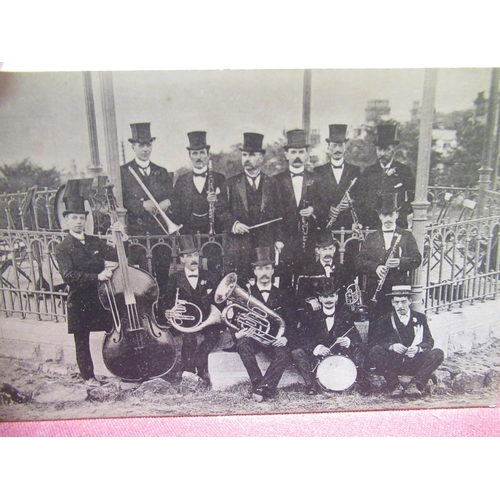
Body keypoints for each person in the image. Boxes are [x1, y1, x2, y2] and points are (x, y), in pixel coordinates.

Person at [54, 189, 122, 387]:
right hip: (80, 299)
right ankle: (88, 377)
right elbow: (69, 276)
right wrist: (98, 276)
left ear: (86, 220)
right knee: (82, 340)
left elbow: (118, 255)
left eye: (81, 218)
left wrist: (121, 235)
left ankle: (116, 368)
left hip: (101, 298)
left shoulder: (94, 241)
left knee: (113, 332)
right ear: (66, 220)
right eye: (74, 218)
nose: (78, 222)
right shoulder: (63, 247)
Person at [120, 122, 174, 302]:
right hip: (139, 234)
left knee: (163, 273)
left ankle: (162, 312)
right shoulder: (123, 172)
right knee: (142, 276)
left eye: (148, 145)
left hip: (160, 233)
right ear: (133, 147)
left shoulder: (162, 171)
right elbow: (122, 200)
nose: (145, 149)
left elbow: (172, 195)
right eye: (141, 145)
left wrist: (168, 201)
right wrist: (141, 206)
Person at [233, 247, 293, 402]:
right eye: (260, 269)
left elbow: (291, 320)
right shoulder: (247, 294)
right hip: (254, 338)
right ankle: (258, 383)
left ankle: (264, 387)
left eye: (267, 268)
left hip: (274, 339)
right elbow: (235, 317)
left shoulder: (283, 294)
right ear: (254, 272)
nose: (264, 272)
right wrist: (237, 333)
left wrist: (285, 337)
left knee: (284, 353)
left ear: (273, 271)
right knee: (242, 343)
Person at [290, 277, 369, 395]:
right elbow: (301, 338)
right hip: (318, 357)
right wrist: (317, 348)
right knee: (296, 352)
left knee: (361, 348)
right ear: (320, 298)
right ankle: (311, 385)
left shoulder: (345, 314)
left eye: (332, 296)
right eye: (325, 296)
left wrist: (347, 341)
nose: (329, 299)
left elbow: (355, 336)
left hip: (340, 355)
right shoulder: (310, 315)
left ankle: (360, 382)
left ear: (336, 297)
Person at [221, 132, 284, 282]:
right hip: (239, 245)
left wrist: (279, 239)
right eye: (244, 155)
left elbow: (280, 214)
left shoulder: (272, 183)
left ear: (261, 158)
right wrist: (234, 224)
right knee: (241, 282)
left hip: (264, 243)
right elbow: (221, 209)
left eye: (251, 155)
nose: (247, 159)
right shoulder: (230, 184)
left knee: (263, 283)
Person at [163, 235, 223, 387]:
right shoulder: (175, 277)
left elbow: (217, 299)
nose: (193, 259)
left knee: (212, 336)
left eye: (195, 255)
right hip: (188, 318)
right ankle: (189, 372)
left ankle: (200, 363)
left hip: (208, 317)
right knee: (189, 340)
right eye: (189, 256)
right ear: (182, 259)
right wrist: (168, 311)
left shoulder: (209, 275)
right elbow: (167, 300)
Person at [368, 285, 444, 398]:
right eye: (397, 302)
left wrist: (418, 348)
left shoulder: (420, 318)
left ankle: (415, 385)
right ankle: (394, 386)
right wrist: (391, 346)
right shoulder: (385, 320)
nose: (400, 306)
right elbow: (376, 341)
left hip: (414, 361)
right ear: (392, 303)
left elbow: (429, 340)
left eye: (403, 302)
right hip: (394, 362)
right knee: (376, 351)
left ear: (410, 301)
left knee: (438, 353)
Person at [356, 194, 422, 321]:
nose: (388, 219)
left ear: (396, 215)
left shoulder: (406, 236)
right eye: (384, 215)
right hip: (375, 288)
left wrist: (400, 262)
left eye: (391, 215)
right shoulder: (371, 237)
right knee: (376, 323)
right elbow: (359, 261)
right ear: (380, 216)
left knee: (398, 321)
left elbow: (417, 258)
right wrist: (376, 267)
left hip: (398, 288)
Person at [274, 129, 317, 291]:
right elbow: (273, 212)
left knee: (308, 283)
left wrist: (314, 210)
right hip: (286, 241)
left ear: (307, 154)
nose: (297, 156)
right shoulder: (276, 180)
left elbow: (324, 204)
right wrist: (277, 239)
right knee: (285, 283)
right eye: (293, 152)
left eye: (301, 152)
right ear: (286, 155)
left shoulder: (316, 179)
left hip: (309, 241)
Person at [170, 131, 229, 236]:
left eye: (202, 153)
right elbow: (176, 209)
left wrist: (217, 200)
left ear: (208, 155)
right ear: (190, 156)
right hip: (189, 233)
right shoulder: (181, 180)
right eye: (195, 153)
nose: (198, 157)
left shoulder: (219, 178)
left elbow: (228, 205)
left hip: (214, 233)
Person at [358, 124, 416, 230]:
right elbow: (360, 197)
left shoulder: (404, 170)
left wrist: (401, 211)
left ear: (394, 149)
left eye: (386, 150)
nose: (382, 153)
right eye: (379, 150)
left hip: (397, 223)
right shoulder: (369, 171)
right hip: (372, 223)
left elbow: (414, 196)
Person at [313, 124, 361, 231]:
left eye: (340, 145)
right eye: (334, 145)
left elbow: (361, 197)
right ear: (328, 147)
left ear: (345, 147)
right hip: (325, 225)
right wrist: (327, 209)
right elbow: (314, 199)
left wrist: (351, 202)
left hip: (348, 225)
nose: (337, 149)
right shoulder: (318, 171)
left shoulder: (355, 170)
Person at [296, 231, 350, 308]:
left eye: (330, 249)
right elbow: (302, 292)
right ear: (318, 251)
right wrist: (311, 300)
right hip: (316, 310)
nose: (328, 253)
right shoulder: (308, 270)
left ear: (334, 250)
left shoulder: (342, 269)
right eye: (324, 249)